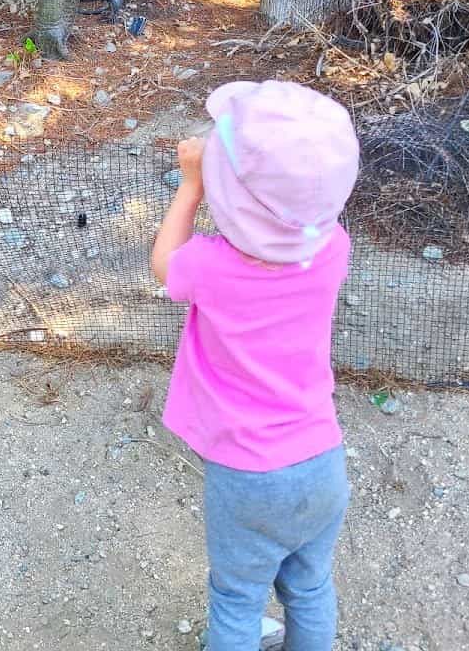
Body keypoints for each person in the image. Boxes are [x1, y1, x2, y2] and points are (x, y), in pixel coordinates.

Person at [151, 80, 360, 651]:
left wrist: (191, 186)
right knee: (311, 586)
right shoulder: (333, 248)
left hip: (247, 476)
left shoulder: (208, 267)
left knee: (237, 599)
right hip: (322, 461)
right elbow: (294, 212)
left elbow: (164, 264)